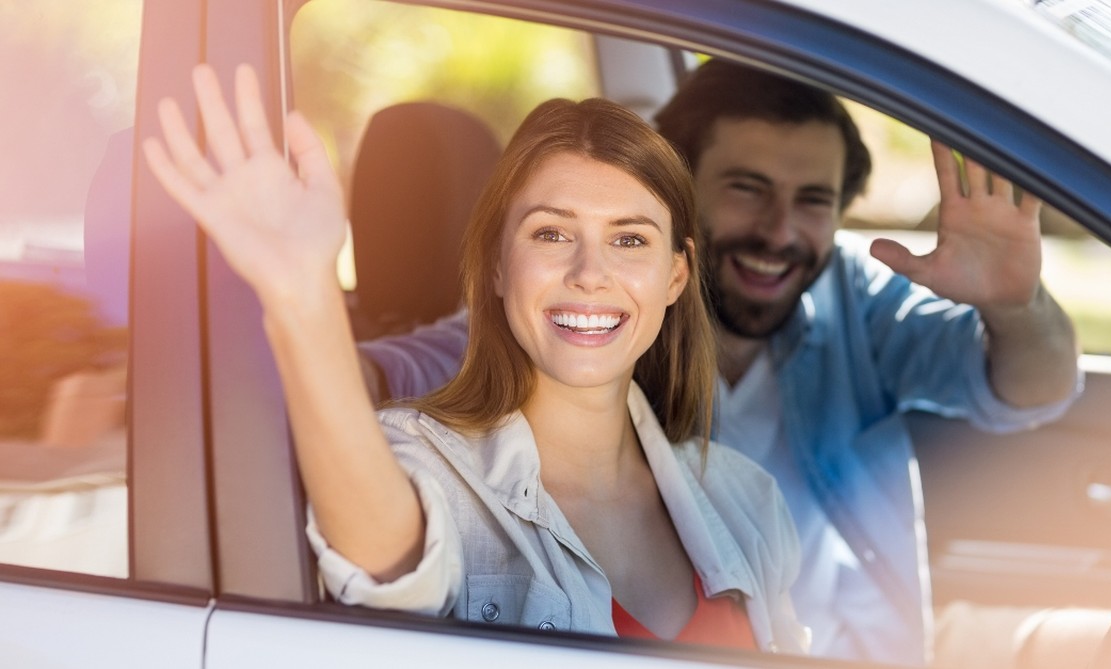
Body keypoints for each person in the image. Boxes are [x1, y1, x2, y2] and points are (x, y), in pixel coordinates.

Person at [358, 59, 1082, 666]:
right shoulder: (578, 324)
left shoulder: (854, 299)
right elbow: (383, 379)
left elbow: (1033, 389)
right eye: (746, 189)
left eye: (813, 201)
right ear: (673, 194)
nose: (778, 231)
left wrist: (1014, 305)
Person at [142, 63, 808, 652]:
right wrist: (300, 291)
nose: (589, 272)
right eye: (551, 232)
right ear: (495, 265)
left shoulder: (746, 497)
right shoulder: (425, 463)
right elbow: (389, 561)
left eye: (629, 240)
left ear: (675, 276)